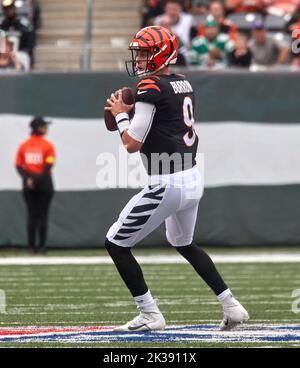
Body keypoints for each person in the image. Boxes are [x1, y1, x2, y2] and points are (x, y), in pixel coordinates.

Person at [104, 25, 249, 332]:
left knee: (115, 242)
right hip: (192, 177)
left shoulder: (151, 87)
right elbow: (163, 120)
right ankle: (232, 306)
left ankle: (150, 313)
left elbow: (132, 144)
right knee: (183, 243)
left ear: (161, 53)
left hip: (167, 182)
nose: (140, 59)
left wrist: (120, 114)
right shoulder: (182, 83)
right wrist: (130, 110)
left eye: (144, 53)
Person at [15, 117, 55, 254]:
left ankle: (31, 247)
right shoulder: (47, 145)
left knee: (31, 215)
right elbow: (48, 165)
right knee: (42, 215)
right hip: (44, 184)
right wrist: (37, 180)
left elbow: (19, 165)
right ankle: (42, 247)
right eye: (44, 126)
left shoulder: (24, 145)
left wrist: (28, 179)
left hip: (28, 184)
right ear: (39, 128)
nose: (46, 128)